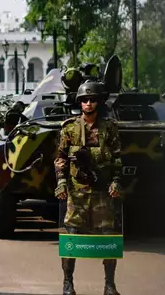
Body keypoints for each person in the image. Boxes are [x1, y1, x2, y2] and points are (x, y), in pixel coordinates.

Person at [54, 80, 123, 295]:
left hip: (102, 191)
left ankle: (110, 285)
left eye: (93, 100)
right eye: (85, 100)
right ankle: (68, 283)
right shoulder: (70, 128)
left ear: (99, 102)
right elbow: (61, 159)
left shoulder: (109, 128)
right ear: (80, 103)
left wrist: (116, 182)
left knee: (108, 236)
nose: (89, 104)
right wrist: (62, 183)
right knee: (71, 237)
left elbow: (118, 159)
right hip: (77, 192)